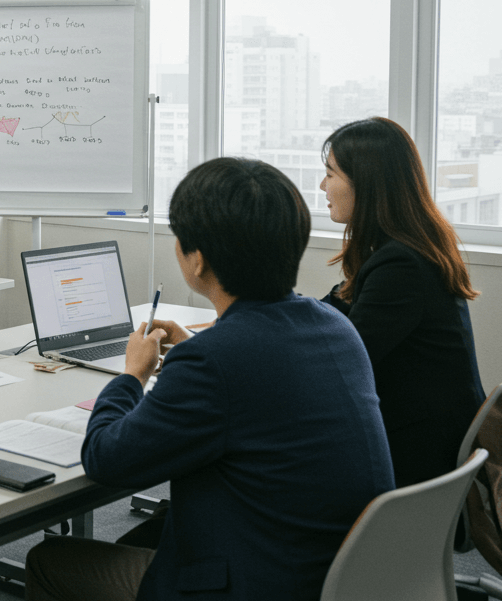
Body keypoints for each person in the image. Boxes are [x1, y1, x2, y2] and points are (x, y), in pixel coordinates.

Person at [23, 157, 393, 601]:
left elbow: (106, 459)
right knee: (146, 536)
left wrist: (132, 375)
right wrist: (202, 349)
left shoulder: (214, 360)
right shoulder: (335, 327)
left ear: (196, 261)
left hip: (261, 582)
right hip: (342, 571)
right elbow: (260, 364)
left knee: (49, 561)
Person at [320, 116, 486, 487]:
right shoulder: (401, 250)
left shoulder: (402, 265)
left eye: (330, 174)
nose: (322, 185)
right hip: (421, 443)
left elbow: (340, 359)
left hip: (414, 461)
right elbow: (331, 313)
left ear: (367, 185)